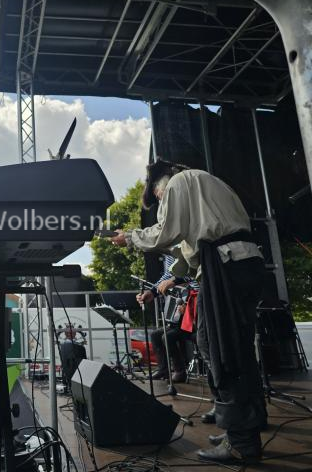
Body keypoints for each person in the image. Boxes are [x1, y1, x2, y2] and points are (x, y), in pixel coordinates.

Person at [112, 159, 266, 464]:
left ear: (161, 185)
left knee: (218, 348)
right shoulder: (210, 182)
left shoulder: (178, 183)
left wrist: (130, 237)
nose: (162, 201)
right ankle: (249, 423)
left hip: (224, 266)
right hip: (244, 261)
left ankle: (241, 442)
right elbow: (186, 247)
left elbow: (166, 231)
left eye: (159, 197)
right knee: (240, 350)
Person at [137, 254, 198, 383]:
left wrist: (174, 281)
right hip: (182, 320)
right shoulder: (167, 254)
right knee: (155, 334)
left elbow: (189, 271)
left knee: (167, 336)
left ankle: (180, 371)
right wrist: (153, 292)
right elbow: (169, 274)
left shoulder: (176, 249)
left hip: (196, 311)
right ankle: (164, 369)